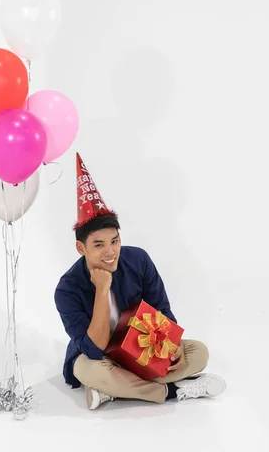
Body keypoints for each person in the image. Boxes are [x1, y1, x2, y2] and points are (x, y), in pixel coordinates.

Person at [54, 153, 226, 410]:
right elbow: (92, 349)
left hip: (142, 349)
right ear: (81, 248)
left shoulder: (138, 260)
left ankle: (114, 392)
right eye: (98, 245)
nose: (110, 252)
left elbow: (162, 310)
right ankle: (170, 391)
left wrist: (174, 345)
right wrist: (102, 289)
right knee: (87, 370)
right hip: (102, 359)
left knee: (198, 352)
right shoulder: (67, 288)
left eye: (114, 241)